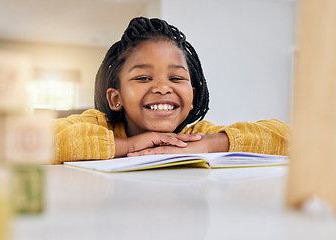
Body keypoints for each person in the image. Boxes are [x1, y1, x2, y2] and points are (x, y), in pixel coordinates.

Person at [53, 17, 290, 164]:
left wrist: (209, 145)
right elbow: (40, 141)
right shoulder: (98, 125)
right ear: (117, 98)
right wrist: (129, 145)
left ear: (192, 96)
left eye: (176, 77)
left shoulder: (197, 134)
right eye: (144, 77)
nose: (163, 87)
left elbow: (289, 139)